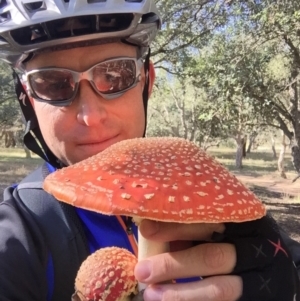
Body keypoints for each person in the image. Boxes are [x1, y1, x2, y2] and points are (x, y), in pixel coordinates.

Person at [0, 1, 300, 300]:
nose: (91, 116)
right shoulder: (20, 234)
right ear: (29, 99)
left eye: (115, 75)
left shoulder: (209, 200)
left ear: (148, 81)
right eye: (53, 85)